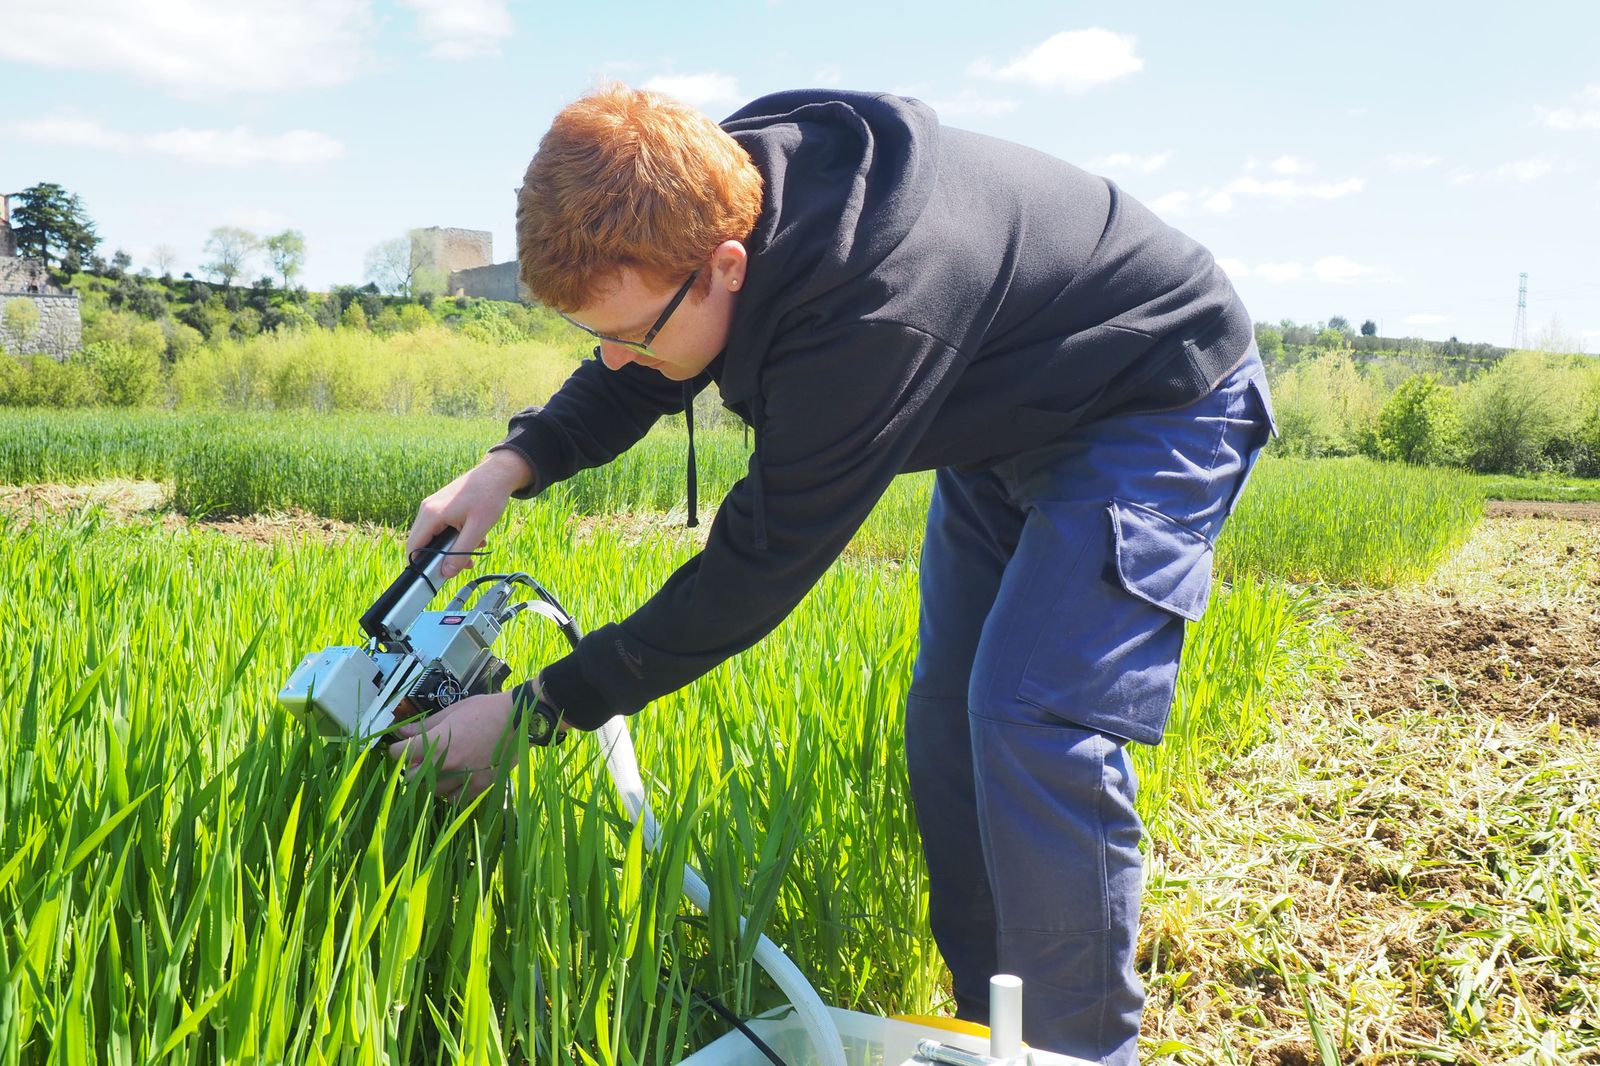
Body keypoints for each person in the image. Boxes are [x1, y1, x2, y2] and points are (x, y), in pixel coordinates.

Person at [387, 83, 1275, 1063]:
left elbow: (758, 567)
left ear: (728, 265)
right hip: (1004, 412)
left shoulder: (873, 314)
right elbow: (637, 351)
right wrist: (510, 465)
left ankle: (1077, 1053)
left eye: (633, 332)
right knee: (948, 724)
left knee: (1031, 719)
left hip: (1149, 402)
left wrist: (537, 711)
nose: (616, 354)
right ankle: (992, 1031)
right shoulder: (698, 193)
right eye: (597, 333)